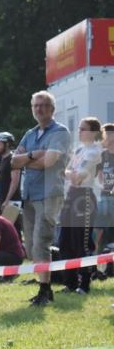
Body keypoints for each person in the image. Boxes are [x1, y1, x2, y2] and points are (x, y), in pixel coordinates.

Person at [10, 90, 72, 306]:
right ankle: (44, 288)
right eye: (35, 105)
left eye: (44, 105)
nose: (39, 109)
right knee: (30, 247)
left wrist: (26, 158)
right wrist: (33, 155)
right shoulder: (30, 133)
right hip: (29, 195)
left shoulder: (60, 132)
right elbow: (13, 162)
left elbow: (49, 162)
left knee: (41, 243)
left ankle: (45, 290)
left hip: (49, 194)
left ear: (52, 109)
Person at [58, 118, 104, 293]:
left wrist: (69, 172)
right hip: (70, 196)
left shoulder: (94, 152)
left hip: (84, 197)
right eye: (79, 128)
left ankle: (84, 284)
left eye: (83, 129)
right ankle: (70, 283)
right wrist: (70, 173)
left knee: (81, 243)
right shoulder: (78, 150)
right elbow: (66, 172)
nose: (79, 131)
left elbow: (78, 177)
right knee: (64, 242)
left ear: (93, 132)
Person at [0, 131, 22, 236]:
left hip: (12, 201)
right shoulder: (3, 159)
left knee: (11, 231)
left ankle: (18, 252)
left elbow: (15, 181)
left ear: (7, 144)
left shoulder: (13, 159)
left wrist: (7, 200)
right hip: (4, 200)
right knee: (8, 231)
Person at [95, 124, 114, 276]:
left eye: (108, 135)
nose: (105, 138)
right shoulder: (102, 155)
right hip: (104, 197)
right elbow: (99, 175)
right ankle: (95, 267)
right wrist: (102, 185)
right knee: (99, 231)